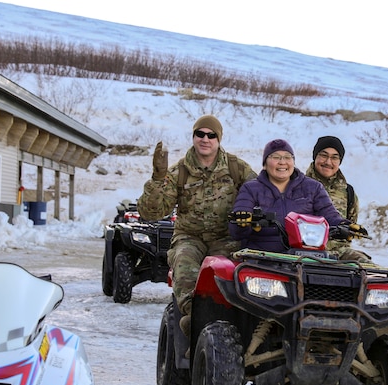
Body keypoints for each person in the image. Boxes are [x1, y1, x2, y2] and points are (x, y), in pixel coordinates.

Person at [137, 115, 255, 335]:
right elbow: (151, 212)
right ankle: (194, 321)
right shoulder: (178, 172)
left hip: (225, 238)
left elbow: (260, 194)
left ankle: (239, 324)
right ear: (193, 137)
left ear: (218, 139)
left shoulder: (236, 168)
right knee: (184, 266)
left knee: (234, 275)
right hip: (190, 237)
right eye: (200, 134)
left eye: (211, 135)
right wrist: (157, 178)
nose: (205, 139)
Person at [229, 139, 365, 252]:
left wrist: (345, 226)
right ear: (265, 164)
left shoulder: (313, 187)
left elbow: (330, 216)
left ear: (293, 162)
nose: (282, 162)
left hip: (304, 257)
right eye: (275, 157)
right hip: (263, 256)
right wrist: (244, 222)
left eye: (287, 157)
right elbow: (236, 230)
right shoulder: (251, 188)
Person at [305, 135, 372, 262]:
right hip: (305, 251)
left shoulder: (348, 192)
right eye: (324, 155)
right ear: (315, 157)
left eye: (334, 157)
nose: (328, 162)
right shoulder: (297, 186)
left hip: (340, 252)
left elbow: (350, 224)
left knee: (368, 269)